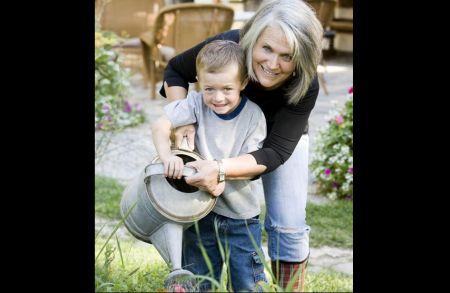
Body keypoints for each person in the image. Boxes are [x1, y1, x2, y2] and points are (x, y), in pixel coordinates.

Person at [158, 0, 323, 291]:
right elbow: (175, 71)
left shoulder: (305, 84)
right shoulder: (228, 47)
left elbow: (275, 152)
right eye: (267, 49)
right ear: (253, 37)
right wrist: (184, 122)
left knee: (290, 225)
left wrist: (220, 168)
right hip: (223, 129)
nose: (273, 64)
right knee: (205, 213)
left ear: (302, 58)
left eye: (287, 56)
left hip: (278, 141)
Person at [151, 40, 268, 292]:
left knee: (247, 284)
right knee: (199, 283)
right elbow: (160, 126)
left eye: (227, 88)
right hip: (198, 214)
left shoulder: (254, 117)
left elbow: (250, 165)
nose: (217, 97)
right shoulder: (195, 103)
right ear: (198, 84)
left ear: (243, 82)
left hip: (241, 219)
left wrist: (220, 180)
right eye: (209, 88)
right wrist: (167, 156)